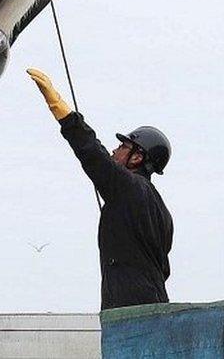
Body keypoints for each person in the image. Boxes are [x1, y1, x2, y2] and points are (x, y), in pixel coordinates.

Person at [27, 68, 173, 311]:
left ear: (137, 158)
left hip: (129, 311)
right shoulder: (162, 213)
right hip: (154, 307)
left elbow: (94, 155)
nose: (115, 151)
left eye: (122, 146)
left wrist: (64, 114)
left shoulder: (130, 188)